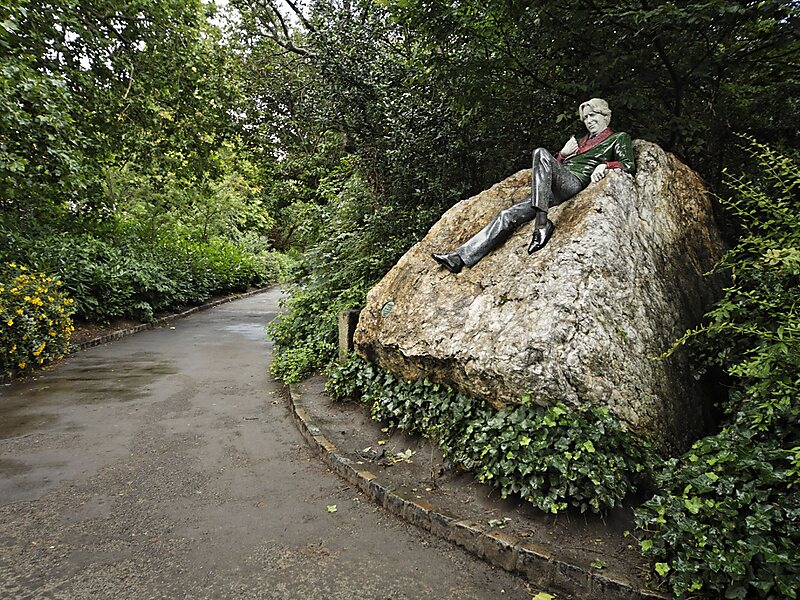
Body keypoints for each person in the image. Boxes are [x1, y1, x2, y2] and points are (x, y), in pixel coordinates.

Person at [432, 98, 635, 274]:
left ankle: (541, 224)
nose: (590, 121)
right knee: (507, 215)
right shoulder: (580, 142)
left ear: (605, 116)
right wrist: (563, 155)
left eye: (593, 116)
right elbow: (549, 167)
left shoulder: (618, 138)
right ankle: (459, 257)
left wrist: (605, 165)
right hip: (550, 191)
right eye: (586, 118)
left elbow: (628, 164)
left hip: (574, 183)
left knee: (539, 152)